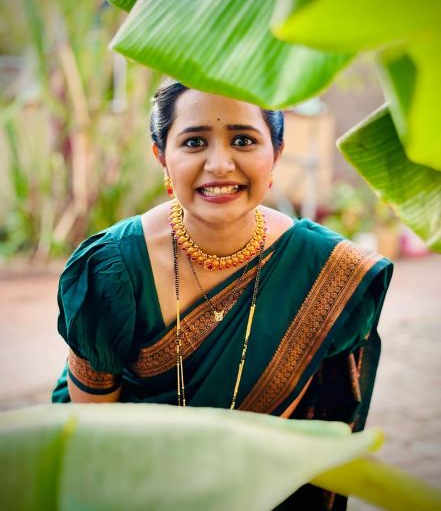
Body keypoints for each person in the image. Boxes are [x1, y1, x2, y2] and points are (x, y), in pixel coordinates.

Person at [52, 81, 393, 509]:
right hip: (132, 489)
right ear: (162, 157)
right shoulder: (113, 268)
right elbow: (93, 430)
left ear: (276, 155)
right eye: (194, 141)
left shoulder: (328, 269)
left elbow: (323, 426)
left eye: (244, 140)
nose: (219, 164)